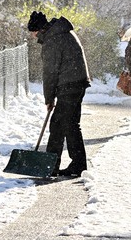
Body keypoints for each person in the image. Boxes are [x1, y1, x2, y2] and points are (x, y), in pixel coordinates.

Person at [27, 10, 90, 177]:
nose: (33, 36)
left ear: (39, 29)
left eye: (33, 32)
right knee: (69, 125)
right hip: (77, 83)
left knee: (59, 125)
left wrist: (49, 98)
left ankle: (53, 165)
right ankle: (76, 164)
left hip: (69, 85)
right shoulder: (62, 32)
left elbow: (50, 72)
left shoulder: (52, 40)